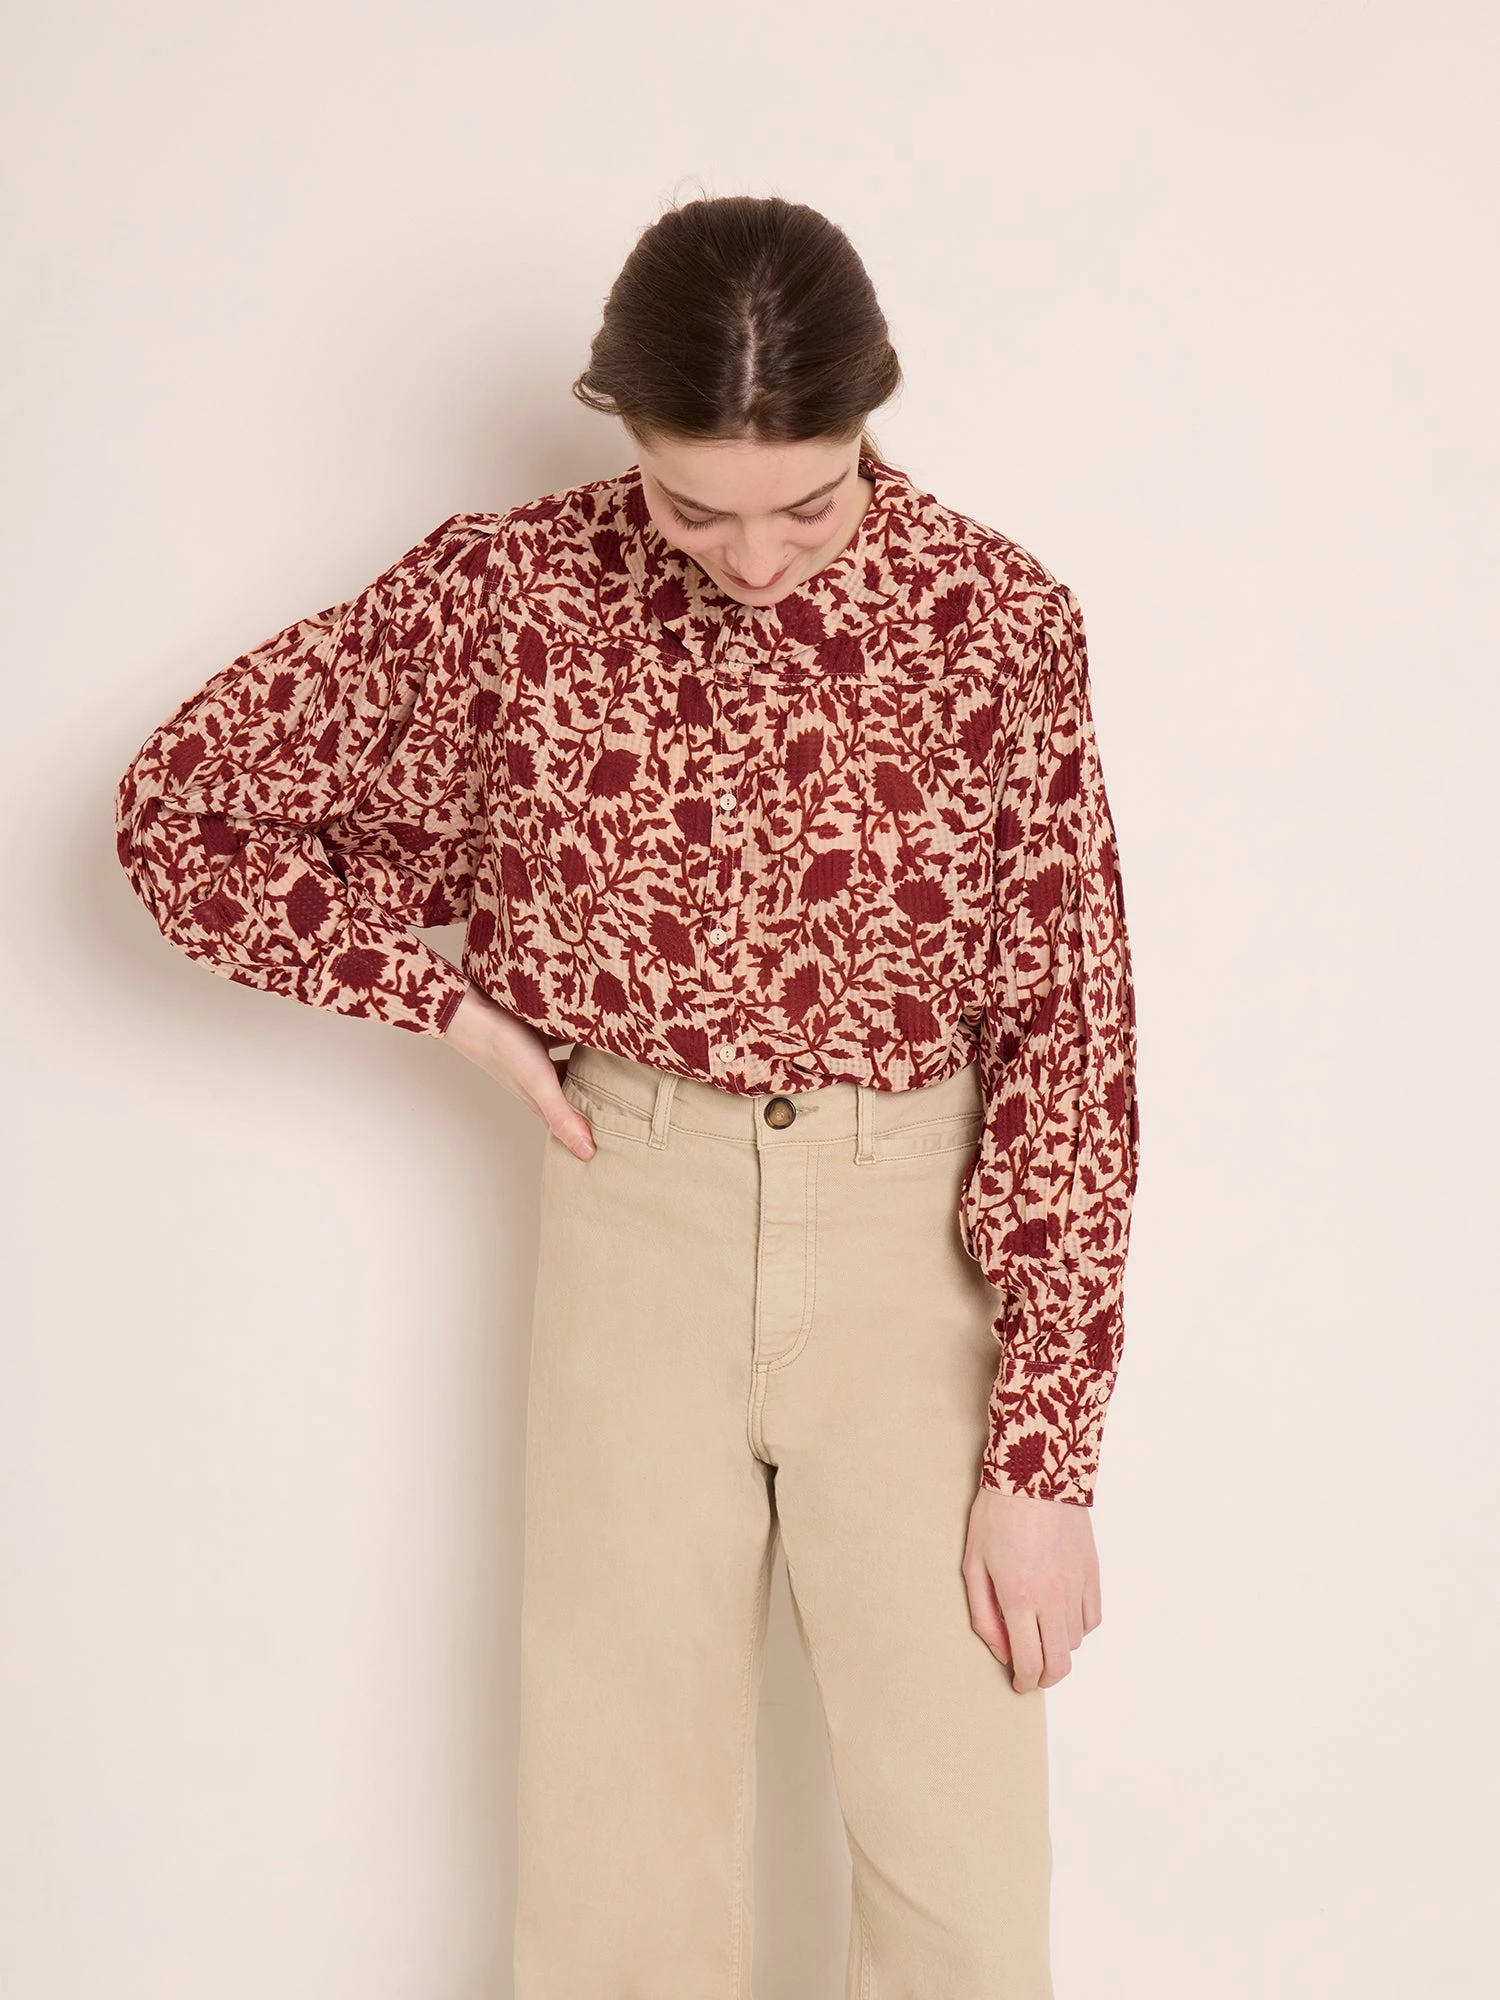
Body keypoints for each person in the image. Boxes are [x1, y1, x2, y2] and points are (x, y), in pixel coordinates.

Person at [115, 192, 1139, 2000]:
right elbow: (182, 810)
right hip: (636, 1207)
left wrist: (1045, 1456)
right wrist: (444, 1007)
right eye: (692, 508)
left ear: (871, 420)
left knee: (961, 1868)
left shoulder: (998, 621)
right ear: (625, 435)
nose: (752, 560)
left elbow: (1069, 1029)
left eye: (807, 505)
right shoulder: (510, 596)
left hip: (915, 1240)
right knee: (616, 1855)